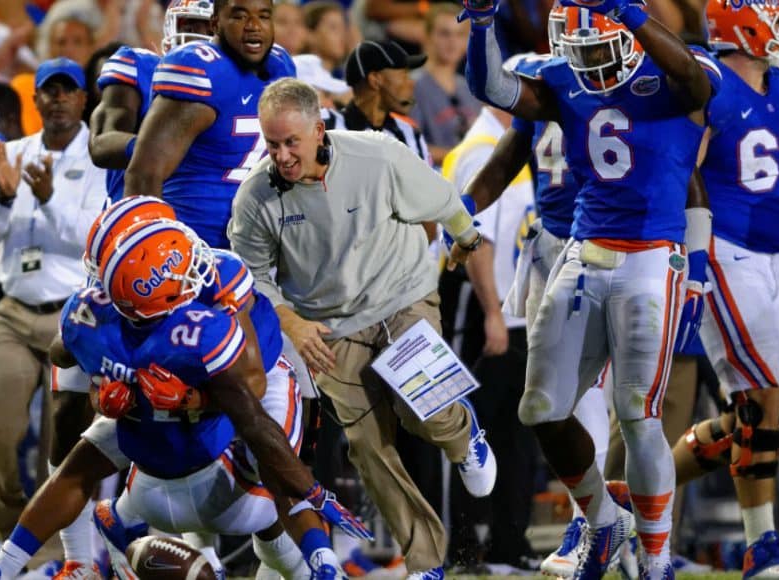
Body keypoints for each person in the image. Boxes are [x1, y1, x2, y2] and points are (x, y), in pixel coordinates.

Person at [462, 0, 719, 575]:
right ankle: (603, 518)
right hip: (582, 249)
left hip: (652, 255)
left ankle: (655, 559)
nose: (592, 69)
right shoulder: (560, 78)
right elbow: (495, 92)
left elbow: (696, 84)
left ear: (628, 38)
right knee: (540, 407)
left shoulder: (674, 71)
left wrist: (630, 16)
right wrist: (482, 26)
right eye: (579, 55)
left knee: (636, 409)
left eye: (601, 52)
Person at [0, 217, 366, 580]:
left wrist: (171, 396)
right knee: (266, 475)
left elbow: (64, 352)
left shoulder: (92, 317)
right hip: (224, 428)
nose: (194, 264)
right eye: (180, 264)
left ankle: (13, 562)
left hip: (178, 438)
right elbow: (253, 410)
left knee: (87, 462)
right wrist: (315, 499)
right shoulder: (200, 331)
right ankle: (317, 565)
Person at [228, 77, 497, 579]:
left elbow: (442, 199)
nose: (282, 155)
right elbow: (251, 278)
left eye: (291, 142)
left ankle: (464, 435)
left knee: (424, 412)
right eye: (272, 143)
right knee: (369, 446)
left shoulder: (377, 156)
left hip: (402, 295)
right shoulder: (255, 197)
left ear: (318, 128)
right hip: (328, 326)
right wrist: (292, 322)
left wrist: (466, 237)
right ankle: (426, 563)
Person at [669, 0, 779, 576]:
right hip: (727, 251)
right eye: (776, 20)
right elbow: (684, 170)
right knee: (762, 401)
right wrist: (695, 255)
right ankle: (761, 547)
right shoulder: (711, 83)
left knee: (755, 414)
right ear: (742, 29)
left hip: (772, 258)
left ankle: (623, 499)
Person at [0, 57, 108, 571]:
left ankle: (72, 557)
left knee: (64, 451)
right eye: (49, 90)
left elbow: (98, 239)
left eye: (68, 90)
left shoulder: (101, 157)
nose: (58, 99)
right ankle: (36, 549)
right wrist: (5, 196)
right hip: (13, 312)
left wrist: (48, 201)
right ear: (36, 100)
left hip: (73, 321)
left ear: (84, 99)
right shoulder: (10, 154)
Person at [441, 104, 537, 571]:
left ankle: (507, 543)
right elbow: (477, 239)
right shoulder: (482, 152)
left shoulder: (515, 148)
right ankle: (461, 543)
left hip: (514, 311)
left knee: (516, 435)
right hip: (485, 308)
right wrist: (493, 313)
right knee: (467, 430)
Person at [123, 0, 295, 248]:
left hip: (257, 241)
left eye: (263, 16)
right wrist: (151, 250)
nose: (254, 27)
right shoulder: (200, 70)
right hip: (192, 244)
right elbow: (144, 174)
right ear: (215, 24)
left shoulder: (280, 65)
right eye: (240, 17)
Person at [88, 0, 213, 197]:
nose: (198, 40)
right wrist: (163, 149)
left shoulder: (246, 84)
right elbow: (101, 144)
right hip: (141, 215)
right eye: (188, 26)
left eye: (210, 30)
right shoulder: (140, 66)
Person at [324, 40, 429, 161]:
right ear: (375, 80)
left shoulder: (411, 135)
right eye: (404, 75)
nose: (411, 83)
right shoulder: (326, 125)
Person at [411, 4, 479, 166]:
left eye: (460, 34)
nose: (452, 41)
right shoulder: (411, 86)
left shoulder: (469, 87)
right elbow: (409, 146)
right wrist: (462, 157)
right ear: (427, 36)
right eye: (444, 34)